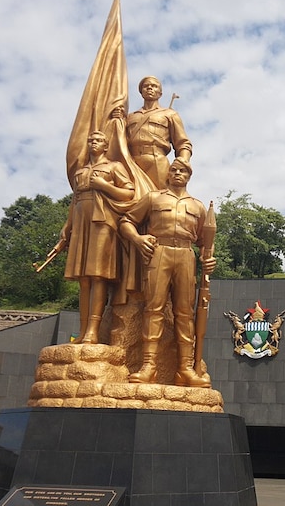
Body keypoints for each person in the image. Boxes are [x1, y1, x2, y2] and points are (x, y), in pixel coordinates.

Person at [119, 159, 215, 387]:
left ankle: (185, 369)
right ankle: (148, 367)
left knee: (184, 314)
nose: (178, 173)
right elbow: (126, 221)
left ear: (189, 176)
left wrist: (208, 259)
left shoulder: (198, 206)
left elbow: (205, 243)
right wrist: (138, 239)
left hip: (185, 255)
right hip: (159, 253)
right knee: (153, 309)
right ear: (168, 174)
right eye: (174, 170)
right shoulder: (154, 198)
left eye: (183, 170)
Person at [59, 130, 135, 344]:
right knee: (83, 278)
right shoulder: (80, 171)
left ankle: (93, 329)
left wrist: (104, 186)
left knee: (97, 274)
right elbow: (75, 200)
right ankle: (83, 330)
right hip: (82, 222)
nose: (94, 142)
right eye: (91, 140)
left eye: (99, 140)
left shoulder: (114, 167)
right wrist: (68, 225)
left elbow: (129, 193)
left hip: (103, 221)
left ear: (106, 145)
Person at [126, 76, 192, 189]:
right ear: (141, 92)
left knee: (161, 200)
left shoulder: (170, 114)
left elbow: (183, 143)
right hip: (132, 162)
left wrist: (182, 161)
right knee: (131, 198)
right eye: (146, 86)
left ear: (160, 93)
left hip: (157, 161)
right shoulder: (130, 117)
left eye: (154, 86)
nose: (149, 88)